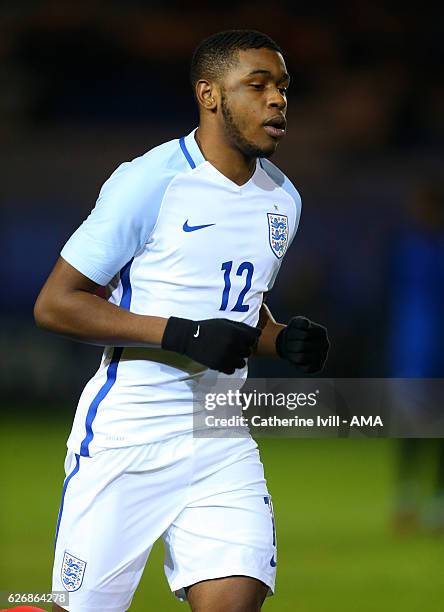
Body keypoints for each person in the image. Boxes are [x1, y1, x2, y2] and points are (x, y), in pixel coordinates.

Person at [34, 30, 329, 612]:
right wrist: (179, 333)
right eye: (258, 84)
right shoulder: (149, 181)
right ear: (210, 94)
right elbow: (57, 303)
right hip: (128, 438)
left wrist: (281, 339)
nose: (278, 100)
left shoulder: (282, 198)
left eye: (284, 87)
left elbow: (241, 312)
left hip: (220, 438)